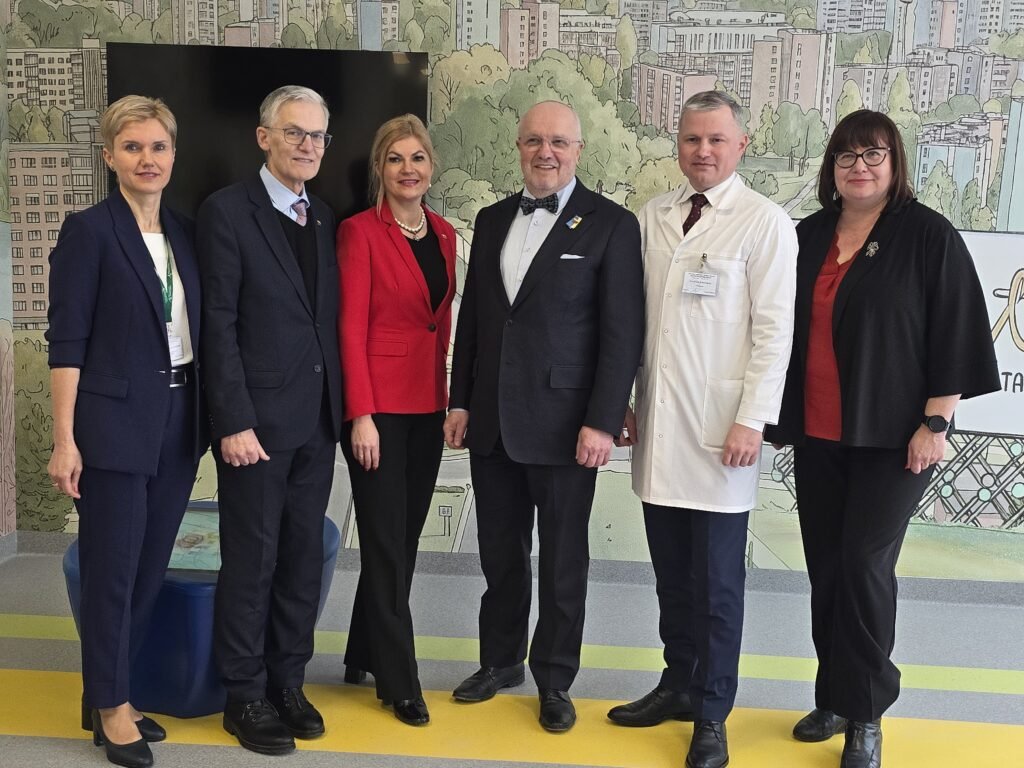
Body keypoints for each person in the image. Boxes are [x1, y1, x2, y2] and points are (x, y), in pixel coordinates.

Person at [763, 110, 1000, 768]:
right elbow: (777, 328)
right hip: (819, 434)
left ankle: (865, 712)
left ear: (895, 163)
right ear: (831, 169)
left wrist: (936, 423)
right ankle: (834, 697)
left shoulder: (926, 234)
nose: (859, 167)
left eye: (873, 154)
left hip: (895, 439)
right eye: (846, 156)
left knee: (864, 567)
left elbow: (955, 328)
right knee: (827, 569)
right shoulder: (807, 236)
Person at [608, 90, 797, 768]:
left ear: (741, 145)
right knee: (672, 577)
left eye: (717, 139)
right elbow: (631, 322)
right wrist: (620, 401)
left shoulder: (764, 223)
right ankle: (678, 683)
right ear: (678, 144)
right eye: (692, 139)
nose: (703, 151)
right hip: (661, 428)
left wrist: (752, 419)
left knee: (717, 588)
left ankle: (712, 712)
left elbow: (774, 333)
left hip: (724, 436)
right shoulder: (652, 216)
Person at [443, 100, 644, 733]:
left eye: (558, 141)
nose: (545, 152)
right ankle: (501, 661)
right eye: (534, 140)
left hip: (566, 426)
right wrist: (459, 399)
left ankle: (555, 678)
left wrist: (603, 420)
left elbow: (621, 334)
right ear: (519, 147)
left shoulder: (612, 225)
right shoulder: (491, 218)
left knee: (561, 562)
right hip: (493, 422)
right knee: (500, 555)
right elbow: (476, 322)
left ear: (578, 150)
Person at [46, 95, 207, 768]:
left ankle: (110, 693)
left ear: (173, 154)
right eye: (133, 147)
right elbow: (67, 342)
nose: (148, 158)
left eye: (158, 146)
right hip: (112, 425)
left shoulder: (185, 233)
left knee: (147, 569)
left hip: (178, 419)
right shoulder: (89, 232)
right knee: (112, 571)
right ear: (109, 156)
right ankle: (111, 708)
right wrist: (64, 439)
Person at [197, 85, 343, 755]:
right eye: (294, 133)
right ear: (264, 137)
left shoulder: (324, 217)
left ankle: (288, 682)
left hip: (316, 423)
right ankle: (244, 694)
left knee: (302, 560)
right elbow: (218, 325)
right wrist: (231, 420)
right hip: (253, 427)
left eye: (317, 136)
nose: (307, 145)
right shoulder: (227, 213)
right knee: (251, 563)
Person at [336, 114, 457, 726]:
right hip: (378, 411)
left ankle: (363, 650)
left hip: (427, 405)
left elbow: (440, 322)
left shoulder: (445, 233)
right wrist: (360, 415)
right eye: (395, 159)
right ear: (379, 169)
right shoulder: (358, 232)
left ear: (430, 166)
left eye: (417, 158)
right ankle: (399, 680)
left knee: (402, 542)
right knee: (384, 545)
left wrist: (452, 400)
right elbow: (349, 328)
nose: (408, 169)